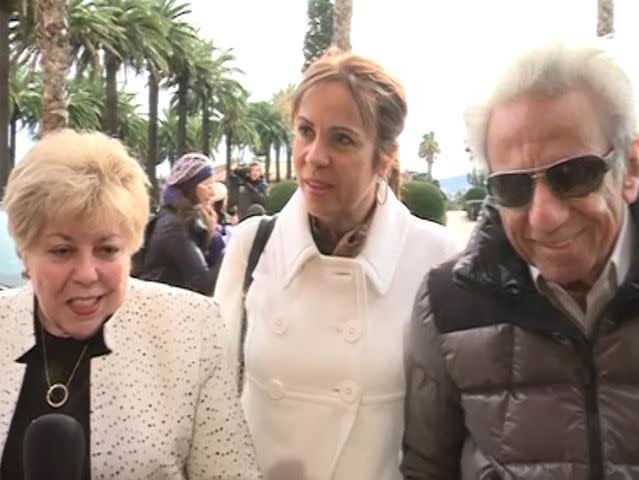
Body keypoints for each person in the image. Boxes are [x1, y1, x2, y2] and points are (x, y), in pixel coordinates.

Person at [214, 50, 461, 480]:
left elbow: (453, 429)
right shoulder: (252, 244)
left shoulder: (437, 258)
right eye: (305, 131)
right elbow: (214, 401)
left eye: (342, 139)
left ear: (383, 157)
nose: (314, 155)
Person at [402, 43, 639, 479]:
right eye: (513, 187)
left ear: (632, 168)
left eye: (572, 174)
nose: (543, 217)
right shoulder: (449, 305)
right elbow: (426, 468)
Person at [0, 130, 260, 479]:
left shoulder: (190, 330)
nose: (87, 274)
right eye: (62, 251)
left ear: (132, 248)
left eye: (107, 250)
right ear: (24, 253)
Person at [136, 152, 224, 295]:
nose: (212, 193)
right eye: (208, 185)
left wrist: (211, 234)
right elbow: (203, 282)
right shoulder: (173, 227)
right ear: (191, 187)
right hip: (160, 309)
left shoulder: (183, 218)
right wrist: (234, 252)